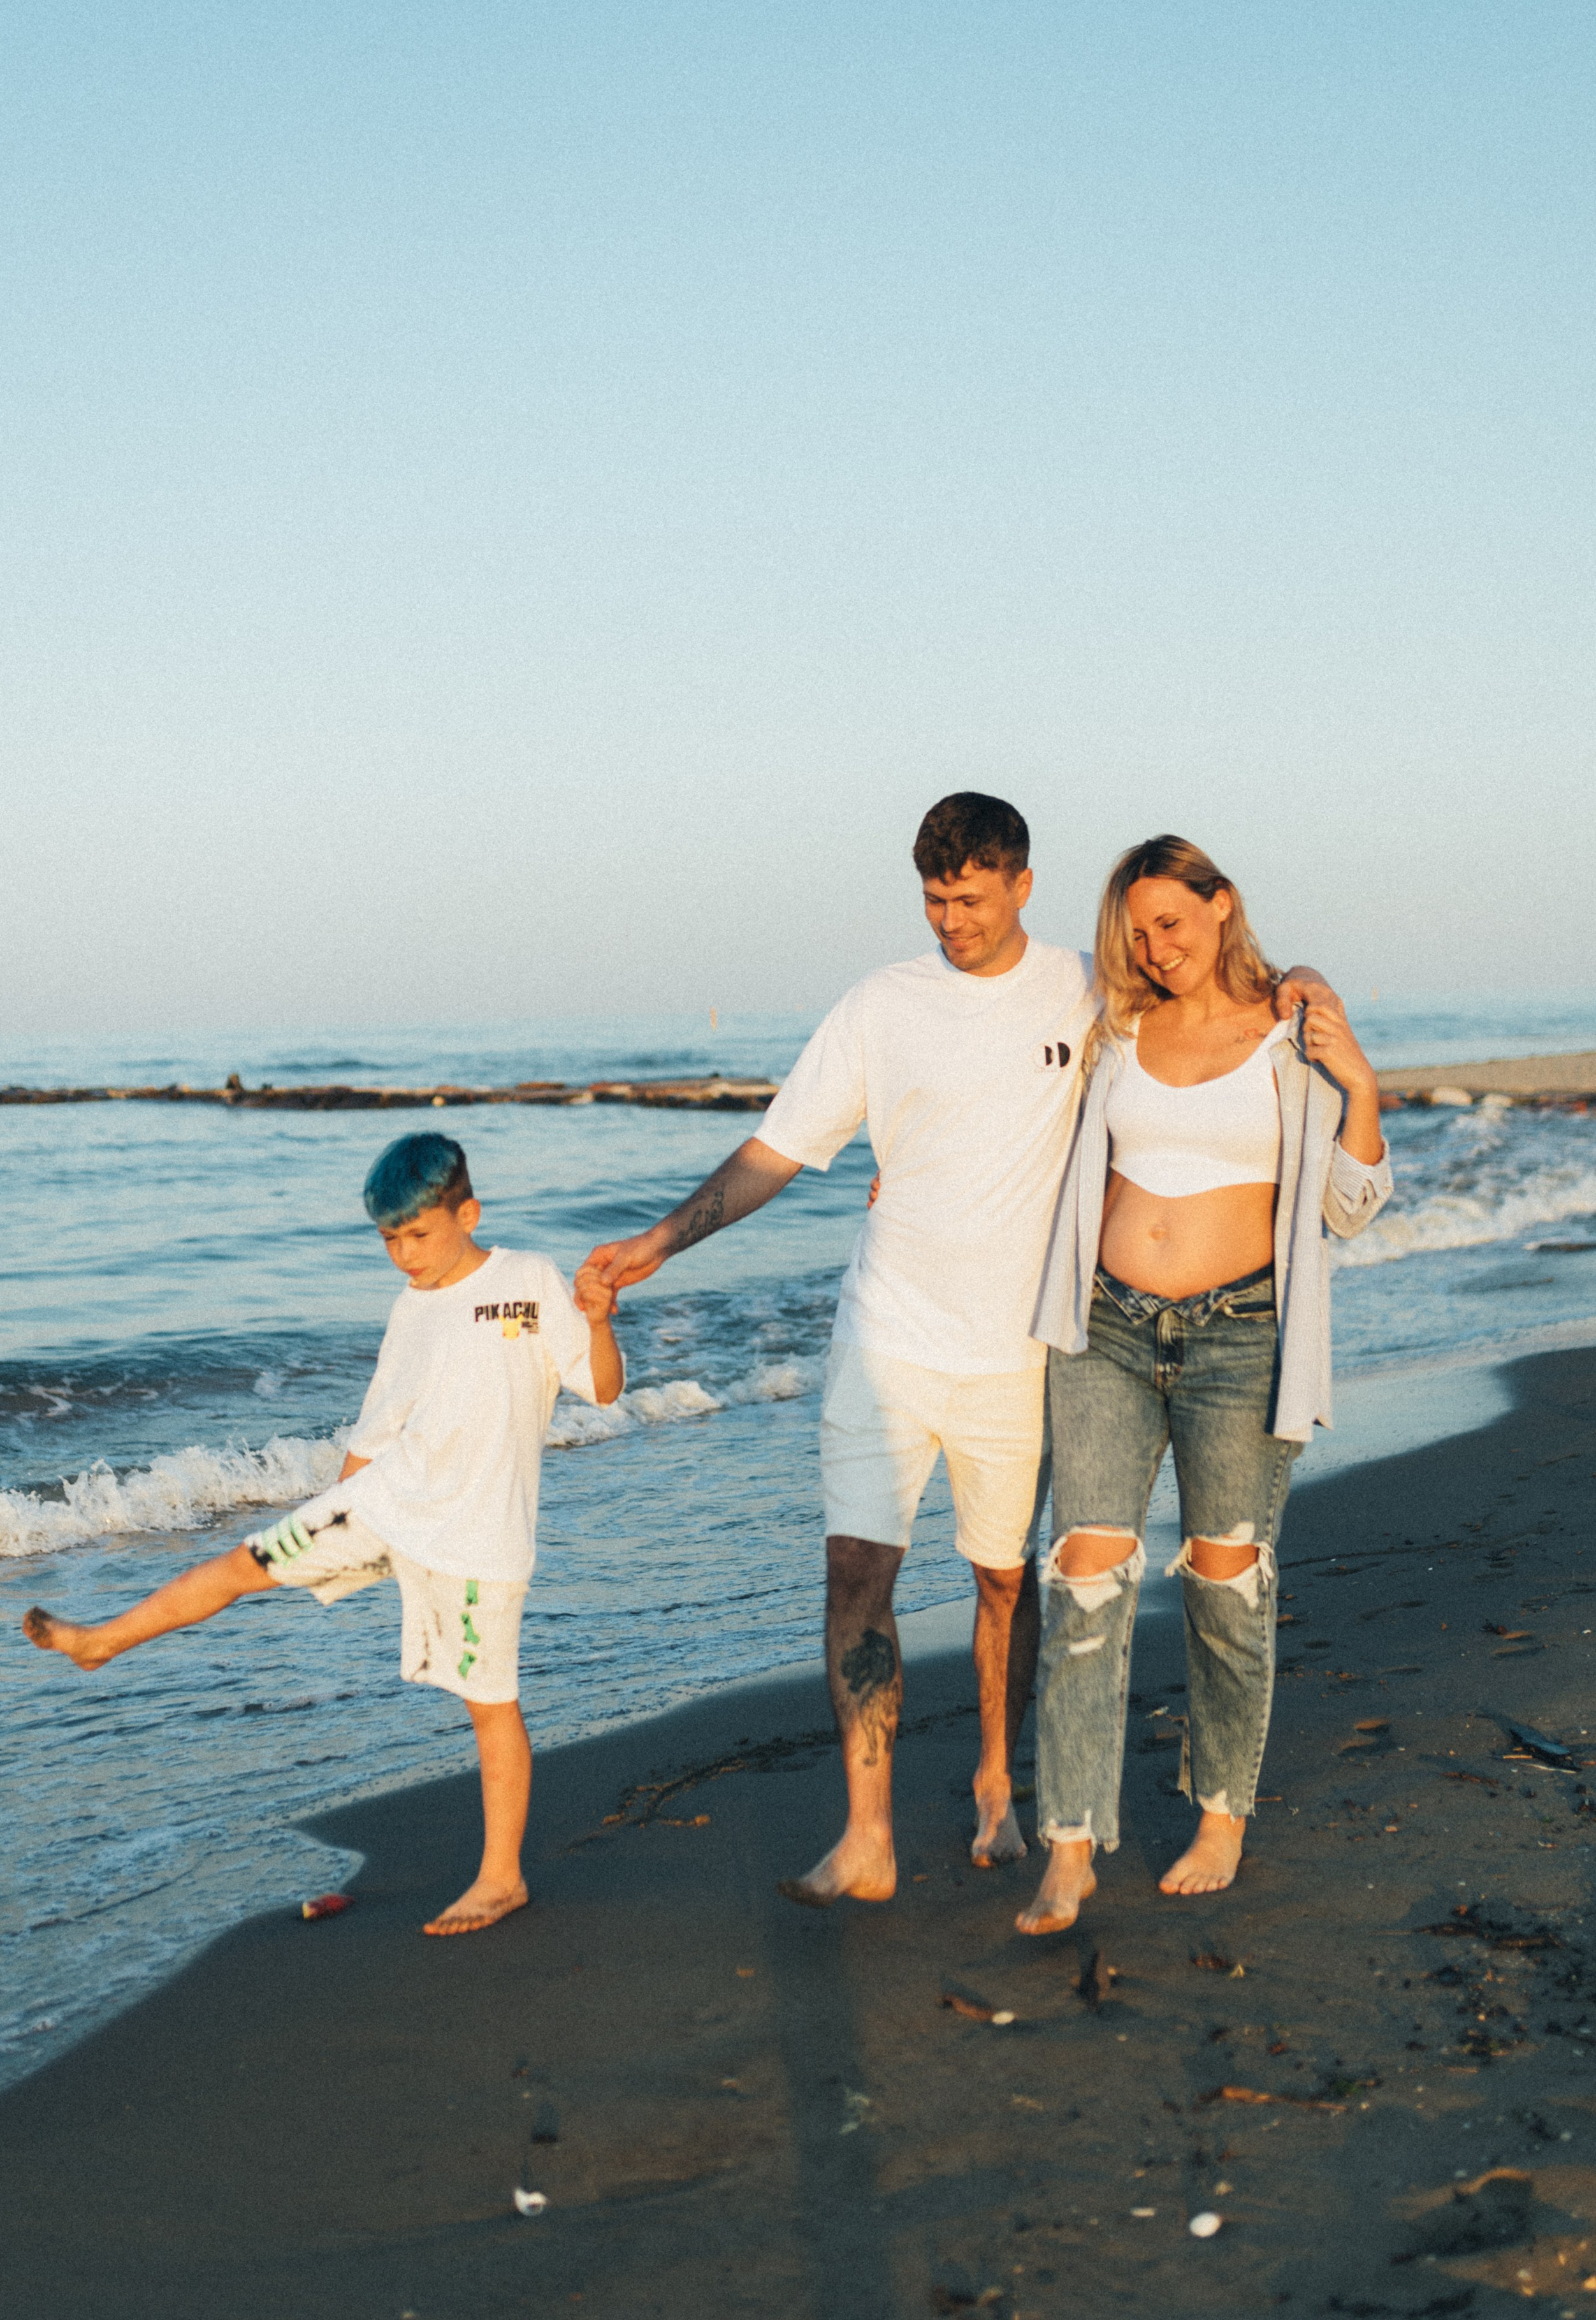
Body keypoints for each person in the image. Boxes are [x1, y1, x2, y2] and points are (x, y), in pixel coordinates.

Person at [583, 794, 1333, 1908]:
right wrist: (661, 1241)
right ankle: (868, 1834)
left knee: (1004, 1579)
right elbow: (779, 1148)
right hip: (886, 1336)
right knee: (858, 1571)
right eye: (935, 900)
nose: (953, 921)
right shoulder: (881, 1006)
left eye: (972, 899)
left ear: (1022, 884)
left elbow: (1203, 1019)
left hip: (1019, 1352)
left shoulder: (1095, 990)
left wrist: (1300, 995)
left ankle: (997, 1781)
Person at [22, 1131, 623, 1938]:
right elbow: (375, 1433)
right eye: (388, 1240)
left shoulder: (529, 1281)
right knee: (241, 1564)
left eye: (417, 1235)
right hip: (386, 1501)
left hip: (479, 1534)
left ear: (467, 1213)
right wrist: (333, 1519)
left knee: (490, 1705)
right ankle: (101, 1642)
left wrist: (597, 1317)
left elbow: (605, 1389)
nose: (404, 1255)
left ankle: (502, 1878)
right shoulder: (410, 1314)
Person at [1015, 836, 1390, 1939]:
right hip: (1106, 1331)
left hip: (1243, 1338)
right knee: (1084, 1574)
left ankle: (1221, 1816)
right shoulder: (1114, 1025)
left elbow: (1352, 1206)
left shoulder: (1296, 1033)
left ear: (1223, 906)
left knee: (1229, 1584)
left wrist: (1359, 1077)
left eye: (1174, 923)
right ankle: (1069, 1846)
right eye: (1137, 931)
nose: (1155, 947)